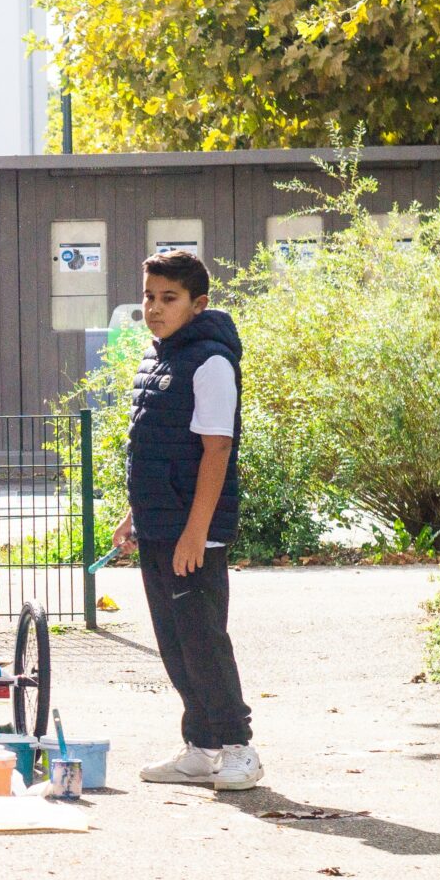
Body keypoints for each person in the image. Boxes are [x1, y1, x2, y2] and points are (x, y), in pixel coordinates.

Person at [110, 249, 261, 789]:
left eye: (168, 299)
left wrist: (196, 532)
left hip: (195, 531)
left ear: (198, 305)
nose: (154, 308)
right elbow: (154, 448)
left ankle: (240, 747)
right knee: (174, 639)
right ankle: (200, 747)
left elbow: (216, 450)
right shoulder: (159, 359)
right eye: (149, 296)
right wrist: (136, 514)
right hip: (159, 524)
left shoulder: (211, 361)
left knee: (202, 637)